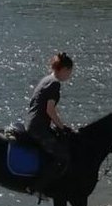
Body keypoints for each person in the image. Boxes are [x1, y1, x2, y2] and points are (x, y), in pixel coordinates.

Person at [25, 51, 75, 193]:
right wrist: (62, 127)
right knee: (62, 157)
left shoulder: (46, 79)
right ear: (64, 69)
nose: (69, 76)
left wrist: (58, 125)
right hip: (38, 128)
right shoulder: (55, 84)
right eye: (69, 72)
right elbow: (50, 110)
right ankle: (37, 187)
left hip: (32, 123)